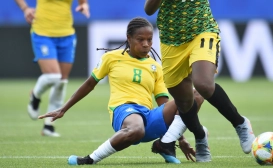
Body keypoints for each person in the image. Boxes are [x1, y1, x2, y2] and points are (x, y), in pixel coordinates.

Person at [144, 0, 273, 162]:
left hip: (203, 30)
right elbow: (149, 8)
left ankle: (240, 124)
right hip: (172, 41)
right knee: (184, 103)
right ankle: (201, 138)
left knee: (204, 85)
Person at [38, 17, 205, 165]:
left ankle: (164, 144)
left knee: (194, 95)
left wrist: (179, 138)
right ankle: (89, 159)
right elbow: (89, 84)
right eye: (140, 39)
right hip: (124, 112)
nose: (146, 44)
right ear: (129, 38)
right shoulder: (111, 58)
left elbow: (164, 103)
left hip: (149, 117)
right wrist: (63, 108)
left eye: (149, 40)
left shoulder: (155, 66)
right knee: (136, 128)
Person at [11, 0, 90, 137]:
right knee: (53, 76)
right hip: (43, 31)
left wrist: (84, 6)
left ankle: (48, 125)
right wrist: (26, 8)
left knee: (62, 82)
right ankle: (35, 95)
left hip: (66, 33)